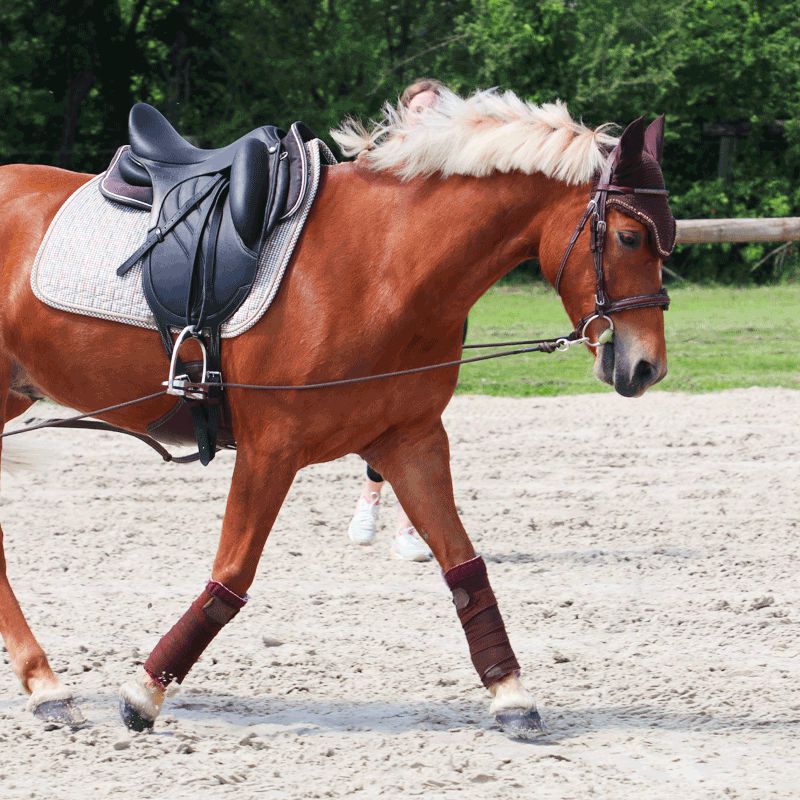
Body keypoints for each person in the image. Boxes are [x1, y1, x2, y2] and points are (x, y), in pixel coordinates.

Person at [347, 79, 464, 561]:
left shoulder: (457, 166)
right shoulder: (384, 159)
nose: (428, 113)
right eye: (420, 107)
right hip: (384, 303)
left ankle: (406, 527)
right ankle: (370, 498)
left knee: (420, 414)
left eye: (437, 106)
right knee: (379, 410)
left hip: (437, 304)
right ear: (404, 112)